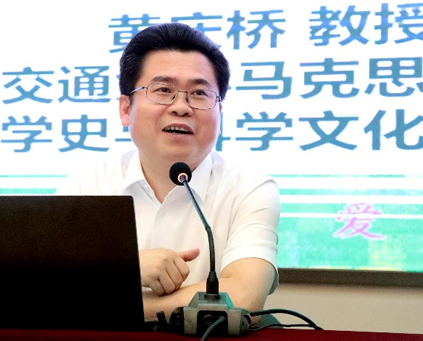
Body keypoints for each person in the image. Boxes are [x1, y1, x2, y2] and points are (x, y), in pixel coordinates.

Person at [57, 22, 280, 321]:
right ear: (125, 109)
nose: (181, 107)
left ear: (219, 111)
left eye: (199, 93)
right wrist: (130, 267)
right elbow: (47, 287)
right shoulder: (87, 184)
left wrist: (114, 299)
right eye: (163, 90)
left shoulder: (249, 189)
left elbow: (244, 296)